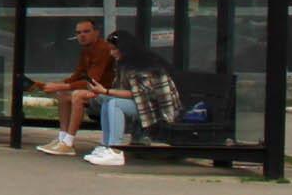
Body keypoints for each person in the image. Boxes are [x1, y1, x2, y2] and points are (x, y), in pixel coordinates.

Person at [86, 33, 181, 167]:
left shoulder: (141, 65)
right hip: (145, 104)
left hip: (161, 109)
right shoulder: (124, 63)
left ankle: (116, 151)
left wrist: (107, 91)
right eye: (110, 50)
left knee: (114, 103)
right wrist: (103, 93)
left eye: (114, 49)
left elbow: (137, 94)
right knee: (107, 101)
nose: (112, 53)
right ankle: (106, 145)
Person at [32, 18, 118, 155]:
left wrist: (59, 86)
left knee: (77, 95)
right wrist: (55, 85)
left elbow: (91, 81)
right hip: (96, 91)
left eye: (86, 32)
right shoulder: (86, 51)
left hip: (106, 93)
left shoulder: (102, 49)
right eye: (78, 33)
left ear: (96, 33)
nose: (82, 36)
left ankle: (69, 142)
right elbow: (77, 75)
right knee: (63, 94)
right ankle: (62, 137)